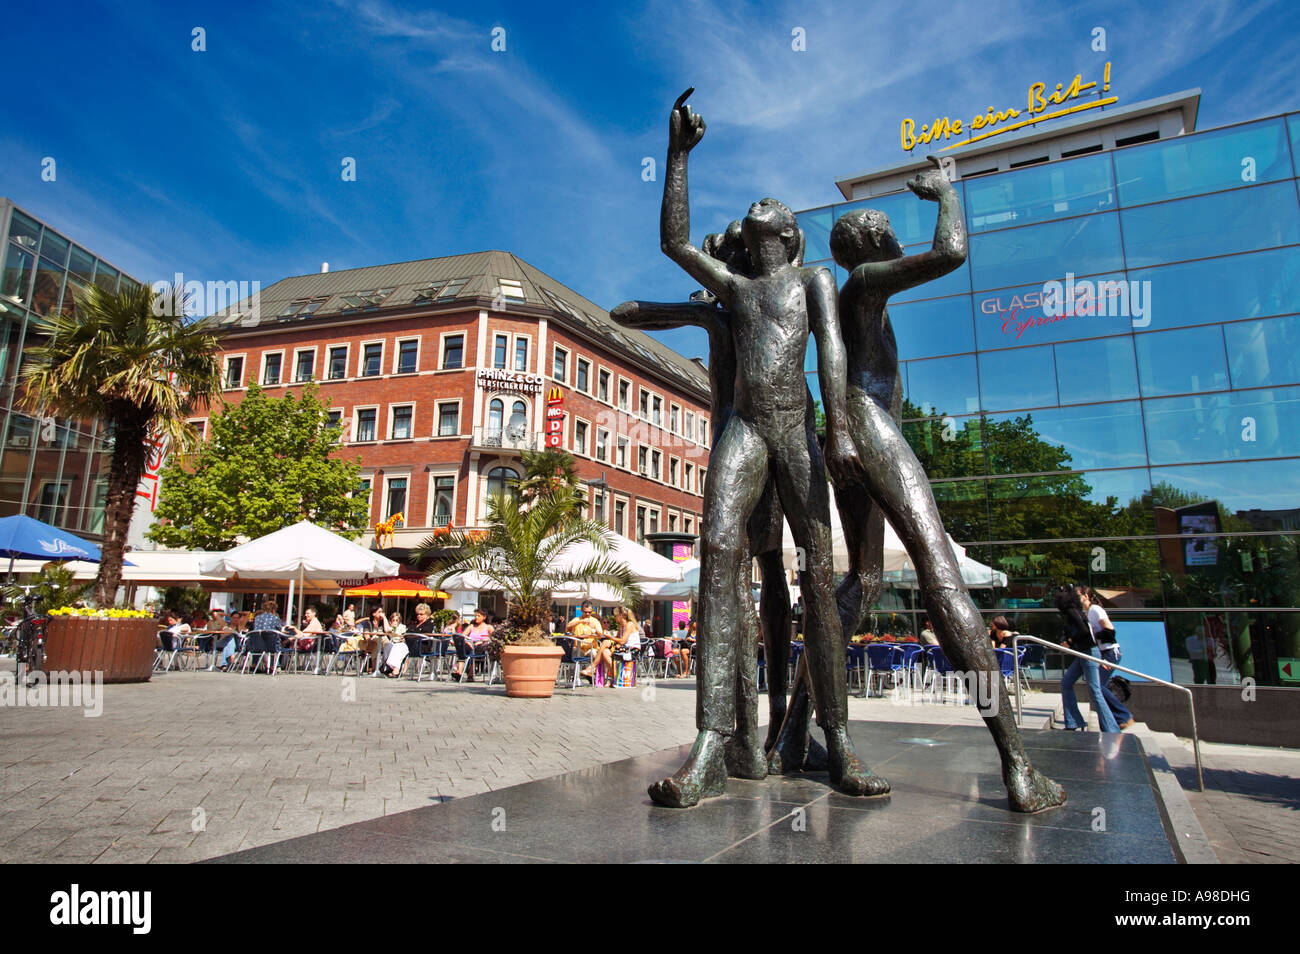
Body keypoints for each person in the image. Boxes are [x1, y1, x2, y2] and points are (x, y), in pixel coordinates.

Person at [820, 155, 1064, 811]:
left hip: (849, 436)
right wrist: (945, 195)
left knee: (863, 582)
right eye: (887, 226)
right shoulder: (867, 280)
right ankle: (1016, 762)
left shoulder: (855, 293)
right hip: (871, 433)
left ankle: (800, 730)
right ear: (870, 242)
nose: (897, 235)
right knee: (941, 576)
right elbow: (951, 252)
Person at [1056, 586, 1121, 733]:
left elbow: (1088, 632)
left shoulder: (1080, 611)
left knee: (1095, 691)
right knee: (1067, 682)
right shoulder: (1080, 612)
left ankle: (1111, 729)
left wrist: (1070, 642)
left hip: (1091, 652)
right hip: (1085, 652)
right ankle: (1073, 722)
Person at [1078, 586, 1134, 729]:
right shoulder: (1087, 612)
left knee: (1098, 685)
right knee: (1098, 685)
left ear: (1086, 595)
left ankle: (1124, 716)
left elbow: (1110, 630)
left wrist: (1093, 637)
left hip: (1109, 652)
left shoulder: (1096, 610)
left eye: (1077, 595)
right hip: (1102, 652)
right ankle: (1116, 717)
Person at [567, 600, 607, 683]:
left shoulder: (595, 621)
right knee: (573, 654)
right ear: (581, 611)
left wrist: (594, 629)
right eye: (585, 612)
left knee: (595, 654)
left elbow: (600, 635)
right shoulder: (577, 619)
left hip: (591, 647)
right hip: (578, 647)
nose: (587, 614)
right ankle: (574, 678)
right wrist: (580, 621)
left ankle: (590, 673)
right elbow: (568, 627)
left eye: (590, 612)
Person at [450, 609, 492, 682]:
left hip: (481, 646)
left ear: (484, 617)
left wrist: (482, 641)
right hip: (470, 645)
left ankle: (470, 674)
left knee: (478, 649)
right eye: (475, 616)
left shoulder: (488, 627)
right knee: (462, 648)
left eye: (478, 616)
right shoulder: (471, 626)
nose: (476, 617)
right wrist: (467, 641)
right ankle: (459, 672)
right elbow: (462, 636)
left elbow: (493, 637)